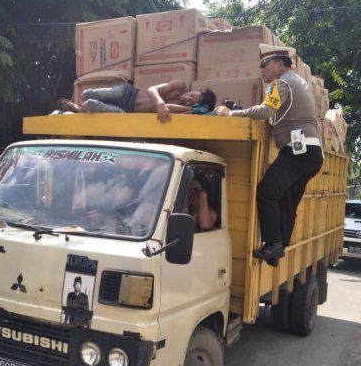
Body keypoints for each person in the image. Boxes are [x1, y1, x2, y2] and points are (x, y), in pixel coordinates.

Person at [216, 44, 323, 266]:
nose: (261, 70)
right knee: (286, 201)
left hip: (298, 152)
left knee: (266, 192)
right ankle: (278, 248)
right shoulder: (297, 81)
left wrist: (230, 113)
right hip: (311, 152)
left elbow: (265, 111)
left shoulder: (282, 82)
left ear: (279, 64)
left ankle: (274, 243)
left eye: (264, 65)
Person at [59, 80, 216, 123]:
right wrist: (160, 104)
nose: (188, 99)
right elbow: (152, 90)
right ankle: (78, 108)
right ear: (197, 91)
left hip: (128, 113)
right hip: (127, 94)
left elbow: (168, 108)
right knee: (86, 94)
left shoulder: (184, 110)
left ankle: (78, 109)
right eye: (193, 95)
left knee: (90, 104)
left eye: (192, 102)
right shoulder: (180, 86)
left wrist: (186, 109)